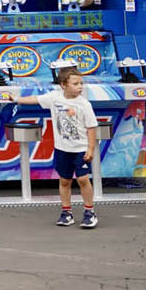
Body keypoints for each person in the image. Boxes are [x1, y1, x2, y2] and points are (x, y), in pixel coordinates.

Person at [15, 67, 100, 228]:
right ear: (63, 85)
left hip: (80, 149)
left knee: (82, 179)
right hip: (62, 149)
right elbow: (36, 99)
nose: (80, 87)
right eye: (75, 83)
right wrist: (17, 99)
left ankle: (90, 212)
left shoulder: (84, 104)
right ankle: (66, 212)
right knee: (65, 180)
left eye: (81, 83)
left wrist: (90, 149)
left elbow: (91, 127)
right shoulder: (54, 98)